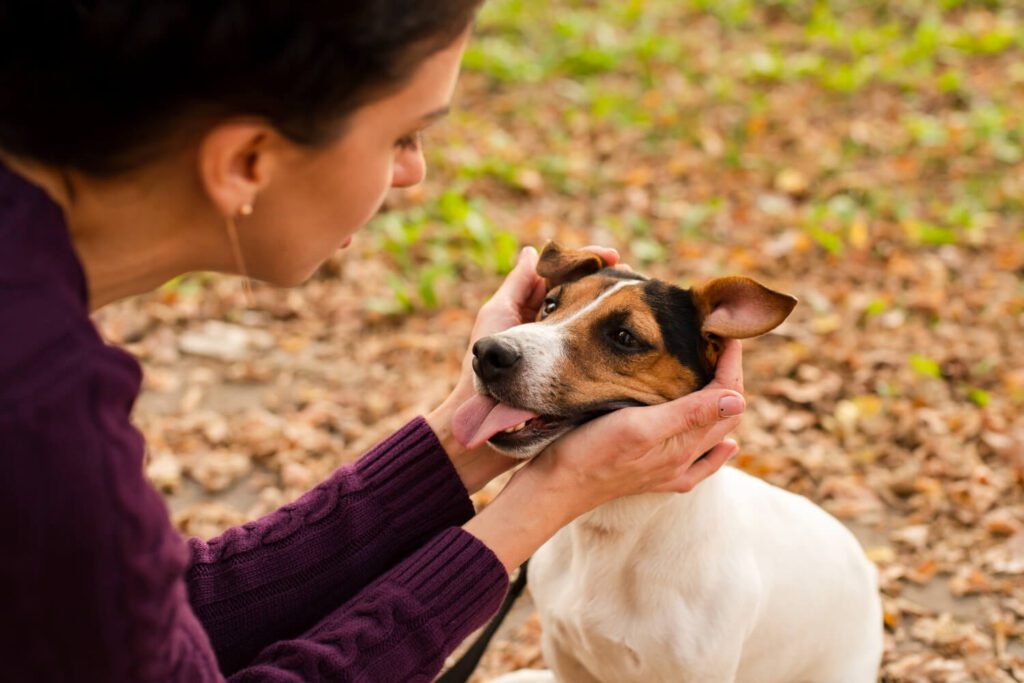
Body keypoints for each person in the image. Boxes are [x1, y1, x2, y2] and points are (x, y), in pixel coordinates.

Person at [0, 2, 746, 681]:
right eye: (403, 135)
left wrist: (463, 437)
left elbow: (156, 622)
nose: (414, 174)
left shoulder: (31, 340)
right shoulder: (44, 428)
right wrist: (541, 505)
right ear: (246, 162)